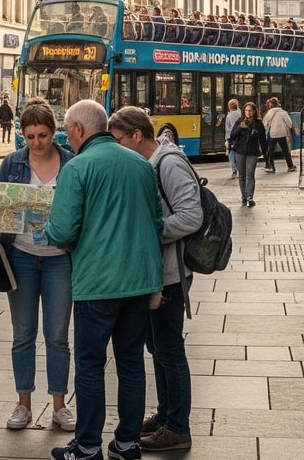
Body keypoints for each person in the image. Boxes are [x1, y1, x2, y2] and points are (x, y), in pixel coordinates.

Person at [42, 100, 162, 460]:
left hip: (98, 283)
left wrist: (47, 227)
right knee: (130, 362)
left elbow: (62, 231)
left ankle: (88, 445)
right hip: (140, 282)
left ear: (78, 130)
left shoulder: (77, 168)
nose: (67, 137)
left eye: (67, 130)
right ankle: (127, 443)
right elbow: (156, 223)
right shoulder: (141, 164)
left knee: (91, 364)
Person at [107, 107, 201, 452]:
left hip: (170, 275)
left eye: (118, 140)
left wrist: (148, 231)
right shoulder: (150, 162)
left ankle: (178, 427)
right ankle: (165, 415)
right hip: (152, 272)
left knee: (170, 350)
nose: (116, 148)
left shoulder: (169, 163)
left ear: (136, 135)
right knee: (158, 349)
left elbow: (191, 216)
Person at [0, 99, 77, 432]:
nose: (37, 143)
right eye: (30, 137)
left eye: (42, 135)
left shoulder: (71, 162)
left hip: (60, 259)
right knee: (23, 334)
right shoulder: (13, 164)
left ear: (53, 132)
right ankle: (23, 404)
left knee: (57, 335)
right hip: (22, 257)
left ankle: (60, 405)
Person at [226, 101, 266, 207]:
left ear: (254, 112)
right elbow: (232, 135)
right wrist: (240, 128)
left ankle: (250, 197)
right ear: (244, 111)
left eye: (250, 111)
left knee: (250, 174)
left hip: (252, 152)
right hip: (240, 151)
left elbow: (262, 138)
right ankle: (243, 196)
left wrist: (265, 152)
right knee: (242, 175)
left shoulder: (258, 123)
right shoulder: (240, 121)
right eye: (246, 110)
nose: (248, 113)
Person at [263, 97, 296, 172]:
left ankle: (271, 167)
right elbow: (289, 123)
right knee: (285, 150)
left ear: (271, 105)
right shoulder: (283, 112)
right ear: (278, 104)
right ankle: (290, 166)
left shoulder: (269, 113)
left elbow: (265, 125)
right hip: (282, 134)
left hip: (273, 134)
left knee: (270, 151)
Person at [223, 98, 241, 175]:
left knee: (231, 153)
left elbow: (228, 128)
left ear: (229, 107)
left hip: (232, 137)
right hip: (240, 136)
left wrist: (227, 139)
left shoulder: (229, 115)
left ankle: (234, 170)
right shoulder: (241, 113)